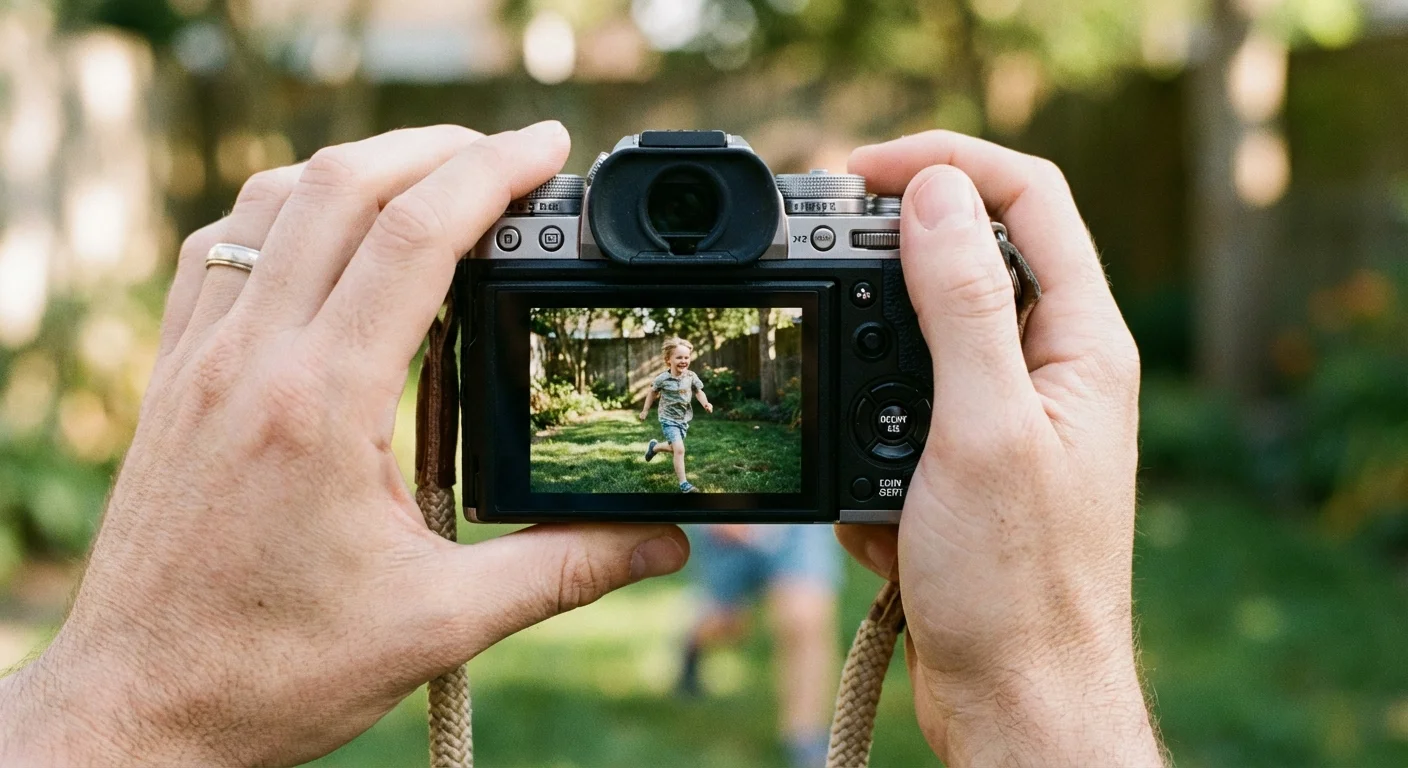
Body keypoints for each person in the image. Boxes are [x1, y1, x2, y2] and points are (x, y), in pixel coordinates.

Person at [0, 122, 1164, 767]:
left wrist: (111, 711)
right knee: (681, 457)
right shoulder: (660, 369)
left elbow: (698, 386)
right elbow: (680, 381)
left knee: (746, 529)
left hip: (706, 457)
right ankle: (683, 531)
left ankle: (772, 677)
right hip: (674, 442)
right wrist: (1048, 707)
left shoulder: (684, 373)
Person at [679, 523, 841, 768]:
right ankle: (691, 646)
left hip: (797, 524)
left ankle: (806, 738)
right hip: (725, 517)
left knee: (805, 621)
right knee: (724, 625)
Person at [640, 336, 713, 493]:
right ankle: (684, 484)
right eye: (679, 357)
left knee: (674, 448)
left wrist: (706, 403)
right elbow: (651, 393)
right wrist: (645, 410)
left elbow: (699, 392)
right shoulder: (663, 378)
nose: (683, 360)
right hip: (667, 418)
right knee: (679, 449)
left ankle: (654, 448)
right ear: (668, 360)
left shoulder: (691, 376)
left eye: (686, 357)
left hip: (683, 418)